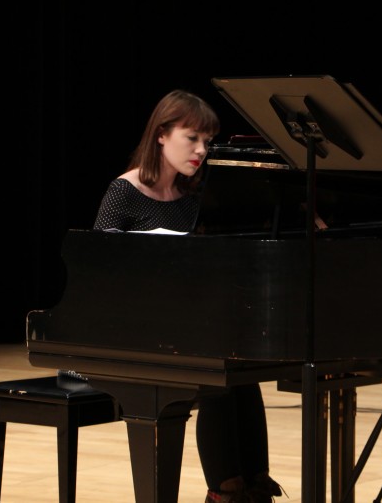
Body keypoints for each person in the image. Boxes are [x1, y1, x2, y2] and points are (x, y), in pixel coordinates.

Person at [92, 89, 284, 503]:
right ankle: (225, 491)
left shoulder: (192, 201)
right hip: (131, 331)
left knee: (241, 372)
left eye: (208, 142)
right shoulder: (123, 191)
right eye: (191, 138)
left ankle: (254, 486)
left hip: (181, 327)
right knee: (214, 369)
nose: (201, 150)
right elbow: (99, 273)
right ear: (161, 135)